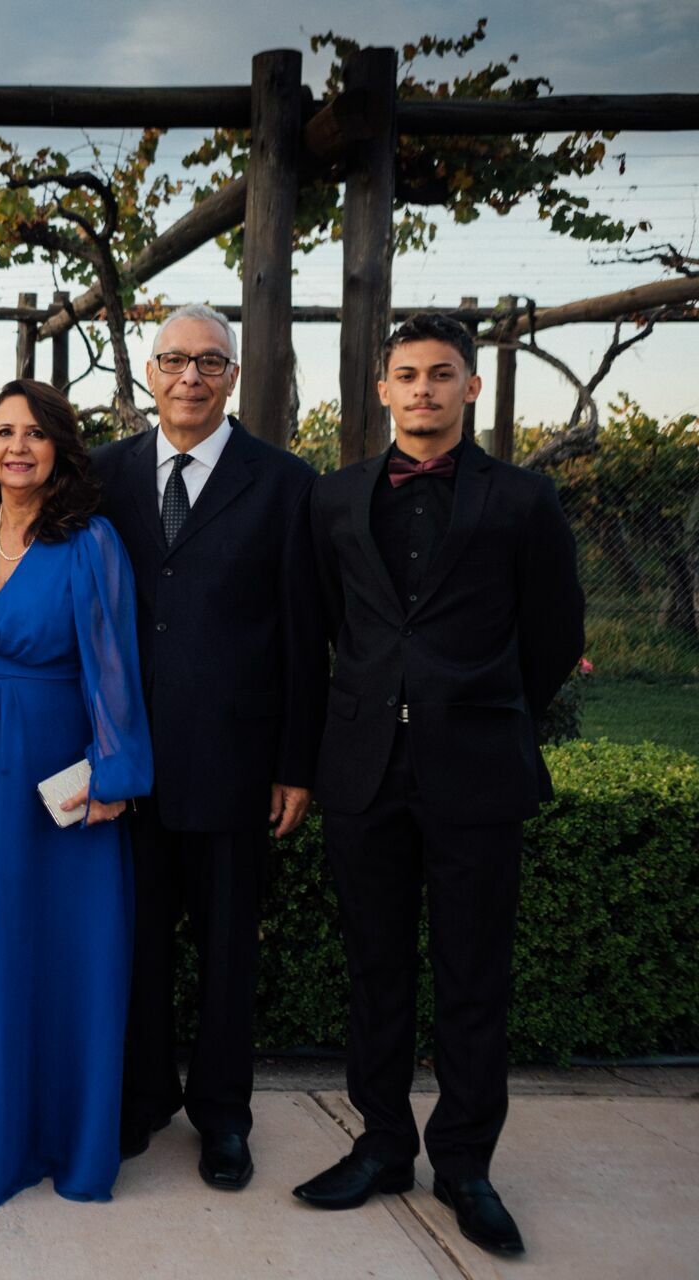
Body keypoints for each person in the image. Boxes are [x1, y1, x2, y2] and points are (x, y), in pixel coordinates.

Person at [0, 303, 325, 1192]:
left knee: (227, 950)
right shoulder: (103, 476)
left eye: (210, 361)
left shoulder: (284, 483)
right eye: (174, 360)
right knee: (127, 944)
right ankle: (139, 1099)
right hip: (107, 755)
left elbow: (307, 634)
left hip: (230, 757)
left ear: (233, 376)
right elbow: (16, 507)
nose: (191, 376)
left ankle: (223, 1118)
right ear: (150, 374)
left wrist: (295, 763)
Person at [293, 314, 584, 1258]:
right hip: (364, 768)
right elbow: (325, 622)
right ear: (382, 389)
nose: (424, 388)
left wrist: (481, 707)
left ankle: (464, 1164)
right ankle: (382, 1145)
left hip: (478, 770)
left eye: (442, 373)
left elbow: (553, 632)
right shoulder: (335, 498)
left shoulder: (525, 499)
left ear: (471, 387)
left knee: (473, 976)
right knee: (375, 970)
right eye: (408, 374)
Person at [0, 380, 152, 1206]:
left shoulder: (90, 541)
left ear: (59, 450)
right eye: (4, 432)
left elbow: (114, 661)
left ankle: (50, 1132)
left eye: (35, 434)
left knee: (54, 948)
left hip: (52, 769)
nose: (17, 447)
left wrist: (113, 773)